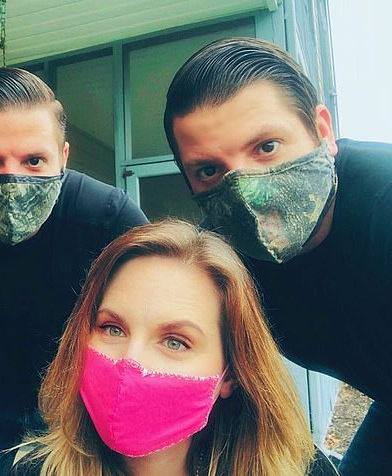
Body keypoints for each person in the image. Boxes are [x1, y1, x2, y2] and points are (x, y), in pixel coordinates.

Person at [164, 37, 392, 475]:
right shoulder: (222, 258)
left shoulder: (384, 208)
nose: (246, 191)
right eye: (209, 170)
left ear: (322, 131)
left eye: (266, 147)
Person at [0, 220, 337, 476]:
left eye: (175, 342)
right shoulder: (30, 470)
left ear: (230, 375)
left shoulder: (301, 469)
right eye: (112, 328)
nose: (130, 361)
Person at [0, 67, 148, 470]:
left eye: (34, 160)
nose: (12, 180)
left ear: (63, 157)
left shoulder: (107, 218)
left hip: (77, 411)